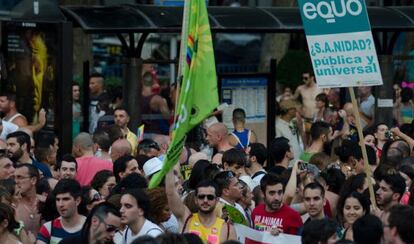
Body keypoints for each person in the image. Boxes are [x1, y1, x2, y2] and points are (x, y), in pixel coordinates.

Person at [165, 168, 237, 243]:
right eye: (201, 197)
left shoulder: (228, 229)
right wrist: (169, 166)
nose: (205, 200)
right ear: (196, 199)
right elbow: (170, 193)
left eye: (210, 197)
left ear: (217, 200)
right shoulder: (186, 218)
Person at [36, 179, 86, 244]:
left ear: (77, 201)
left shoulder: (90, 227)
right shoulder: (48, 228)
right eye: (58, 199)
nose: (60, 204)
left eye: (66, 199)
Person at [14, 163, 42, 236]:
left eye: (20, 177)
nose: (16, 181)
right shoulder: (13, 206)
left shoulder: (45, 202)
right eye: (14, 178)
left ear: (33, 180)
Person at [141, 71, 170, 137]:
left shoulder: (136, 97)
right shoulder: (158, 99)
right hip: (154, 133)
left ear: (142, 81)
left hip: (140, 133)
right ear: (153, 82)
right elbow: (167, 116)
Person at [293, 71, 323, 137]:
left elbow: (325, 102)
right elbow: (293, 100)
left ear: (312, 78)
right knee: (304, 143)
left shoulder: (320, 88)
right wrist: (298, 108)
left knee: (316, 141)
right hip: (304, 119)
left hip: (317, 119)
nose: (303, 80)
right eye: (302, 78)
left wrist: (321, 114)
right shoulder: (300, 88)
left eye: (306, 78)